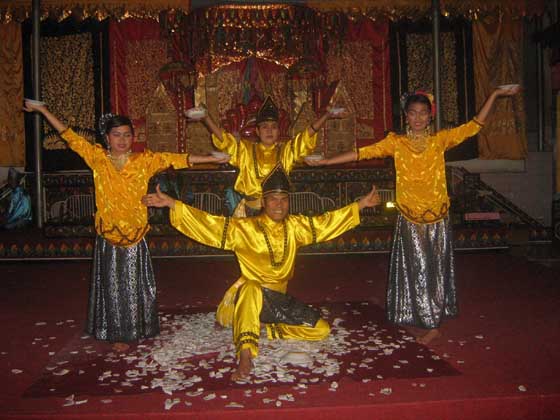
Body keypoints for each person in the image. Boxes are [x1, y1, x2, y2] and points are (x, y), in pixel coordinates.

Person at [306, 86, 522, 345]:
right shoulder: (396, 143)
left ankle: (432, 324)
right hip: (410, 218)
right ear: (406, 117)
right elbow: (362, 152)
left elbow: (476, 125)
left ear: (430, 116)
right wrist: (327, 162)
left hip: (436, 218)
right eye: (413, 113)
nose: (418, 118)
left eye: (423, 113)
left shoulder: (439, 140)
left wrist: (495, 94)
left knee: (431, 269)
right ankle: (414, 311)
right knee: (415, 268)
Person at [23, 101, 229, 352]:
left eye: (127, 135)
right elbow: (69, 136)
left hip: (135, 234)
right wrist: (44, 110)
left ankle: (140, 326)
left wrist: (212, 159)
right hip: (109, 235)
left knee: (135, 283)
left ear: (134, 137)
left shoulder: (144, 161)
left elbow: (178, 159)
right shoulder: (97, 158)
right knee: (113, 285)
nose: (122, 140)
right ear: (107, 138)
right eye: (116, 135)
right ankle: (116, 333)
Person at [142, 163, 380, 380]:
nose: (279, 205)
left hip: (276, 300)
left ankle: (267, 327)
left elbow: (327, 222)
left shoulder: (296, 226)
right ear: (264, 202)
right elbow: (209, 224)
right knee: (252, 288)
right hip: (246, 296)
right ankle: (245, 355)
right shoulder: (245, 228)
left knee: (321, 330)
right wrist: (174, 204)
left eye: (284, 200)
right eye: (273, 199)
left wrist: (360, 205)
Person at [186, 96, 347, 216]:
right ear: (257, 131)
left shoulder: (285, 151)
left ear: (279, 131)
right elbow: (225, 140)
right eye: (264, 127)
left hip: (277, 213)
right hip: (249, 211)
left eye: (273, 127)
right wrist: (206, 118)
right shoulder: (246, 150)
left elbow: (304, 138)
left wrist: (326, 116)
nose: (269, 131)